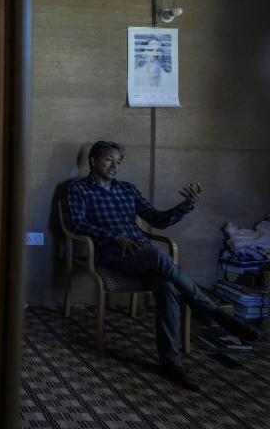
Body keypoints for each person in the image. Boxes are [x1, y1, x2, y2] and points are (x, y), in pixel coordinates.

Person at [67, 140, 258, 391]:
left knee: (167, 287)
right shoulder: (78, 189)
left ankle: (172, 363)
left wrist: (186, 206)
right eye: (108, 160)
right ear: (93, 161)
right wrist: (114, 237)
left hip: (141, 254)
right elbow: (77, 223)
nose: (114, 166)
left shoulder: (127, 189)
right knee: (158, 257)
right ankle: (213, 311)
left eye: (118, 161)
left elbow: (157, 219)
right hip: (110, 253)